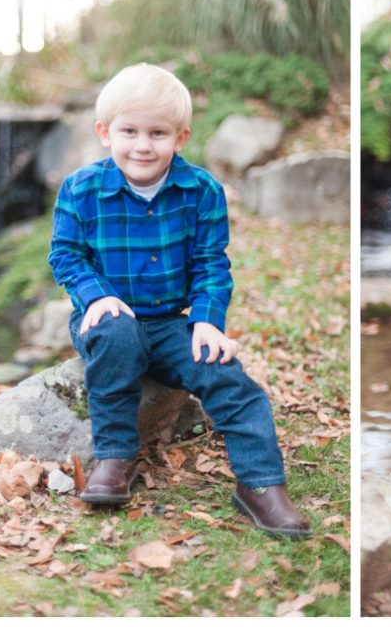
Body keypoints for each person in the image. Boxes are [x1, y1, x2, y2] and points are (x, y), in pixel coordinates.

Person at [49, 63, 309, 538]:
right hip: (107, 317)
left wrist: (208, 322)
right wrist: (95, 296)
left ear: (181, 137)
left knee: (228, 377)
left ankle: (261, 485)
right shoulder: (81, 189)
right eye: (130, 131)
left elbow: (212, 262)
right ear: (105, 133)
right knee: (117, 335)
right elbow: (65, 255)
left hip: (172, 323)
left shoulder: (201, 191)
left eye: (158, 133)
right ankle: (115, 458)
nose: (143, 145)